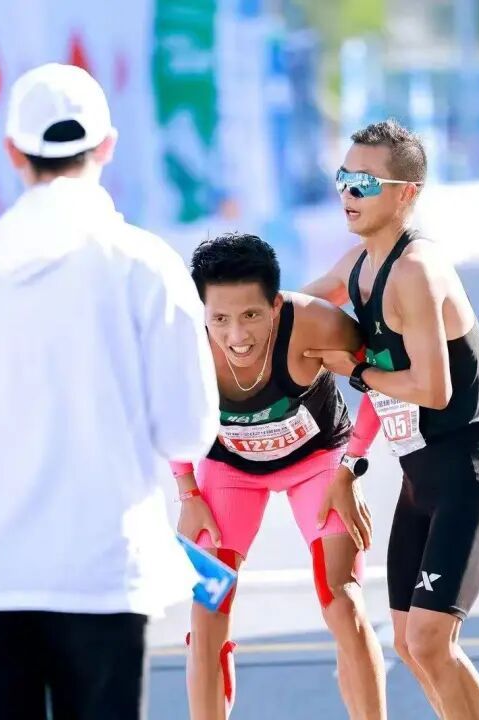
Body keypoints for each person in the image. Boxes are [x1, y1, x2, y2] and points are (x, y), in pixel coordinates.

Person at [0, 63, 219, 719]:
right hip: (98, 572)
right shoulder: (144, 264)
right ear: (107, 146)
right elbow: (187, 429)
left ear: (13, 152)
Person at [303, 119, 479, 720]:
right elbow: (290, 312)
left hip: (467, 473)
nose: (348, 192)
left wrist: (356, 370)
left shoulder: (416, 270)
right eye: (343, 178)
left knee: (429, 641)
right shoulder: (358, 265)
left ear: (406, 194)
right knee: (407, 641)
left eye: (365, 182)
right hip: (418, 480)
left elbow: (431, 388)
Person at [175, 232, 387, 720]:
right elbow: (162, 413)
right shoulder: (182, 343)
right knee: (207, 612)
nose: (237, 336)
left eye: (251, 315)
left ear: (275, 304)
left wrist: (351, 468)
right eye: (220, 319)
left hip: (319, 465)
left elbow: (384, 382)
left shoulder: (315, 323)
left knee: (343, 604)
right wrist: (187, 491)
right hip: (228, 472)